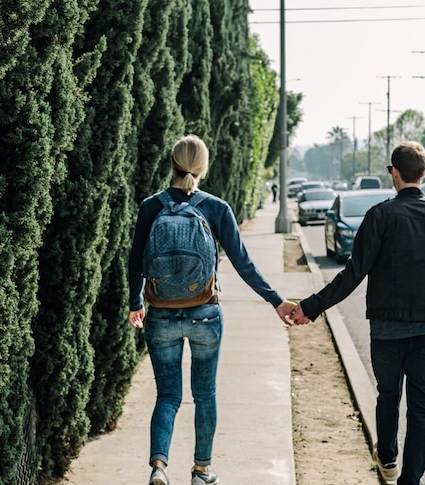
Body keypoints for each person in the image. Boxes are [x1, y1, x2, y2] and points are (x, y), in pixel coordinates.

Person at [289, 141, 425, 485]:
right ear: (424, 174)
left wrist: (309, 308)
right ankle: (410, 481)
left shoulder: (380, 216)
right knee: (422, 408)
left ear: (394, 173)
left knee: (388, 395)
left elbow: (354, 273)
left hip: (387, 328)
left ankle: (387, 457)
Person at [127, 134, 297, 485]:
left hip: (161, 315)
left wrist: (135, 304)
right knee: (205, 394)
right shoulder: (216, 207)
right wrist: (276, 301)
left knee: (168, 394)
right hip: (205, 313)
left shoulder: (151, 206)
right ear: (203, 168)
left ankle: (159, 466)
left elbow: (135, 263)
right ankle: (202, 470)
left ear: (171, 164)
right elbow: (243, 263)